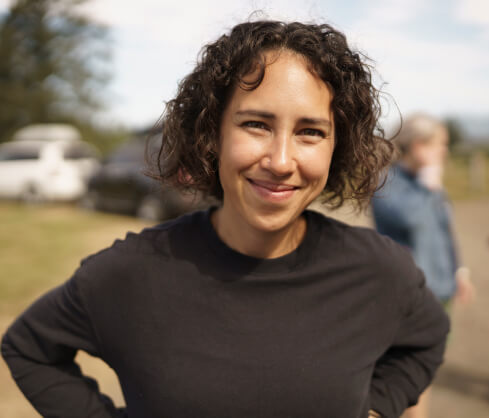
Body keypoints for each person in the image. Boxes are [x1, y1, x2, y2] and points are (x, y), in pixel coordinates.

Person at [2, 20, 450, 418]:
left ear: (338, 147)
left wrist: (377, 405)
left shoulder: (379, 271)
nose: (280, 160)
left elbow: (428, 337)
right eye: (256, 124)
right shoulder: (130, 273)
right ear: (212, 132)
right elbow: (28, 348)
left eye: (310, 132)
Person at [371, 114, 475, 418]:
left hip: (441, 288)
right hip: (410, 294)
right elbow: (411, 220)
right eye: (439, 144)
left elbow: (445, 228)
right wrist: (428, 188)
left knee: (427, 364)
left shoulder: (431, 185)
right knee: (411, 369)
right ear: (417, 146)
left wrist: (460, 271)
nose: (444, 151)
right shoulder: (386, 183)